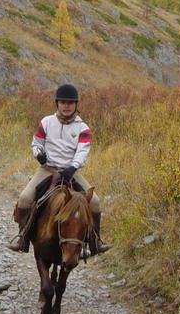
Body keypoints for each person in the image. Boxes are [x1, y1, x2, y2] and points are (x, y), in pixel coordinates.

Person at [8, 84, 110, 255]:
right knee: (24, 198)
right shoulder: (46, 122)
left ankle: (95, 242)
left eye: (70, 103)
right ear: (57, 103)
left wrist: (73, 167)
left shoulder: (83, 128)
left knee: (95, 202)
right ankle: (23, 238)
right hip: (47, 169)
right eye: (63, 102)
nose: (67, 106)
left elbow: (82, 151)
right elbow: (36, 143)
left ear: (76, 105)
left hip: (71, 172)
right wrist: (38, 154)